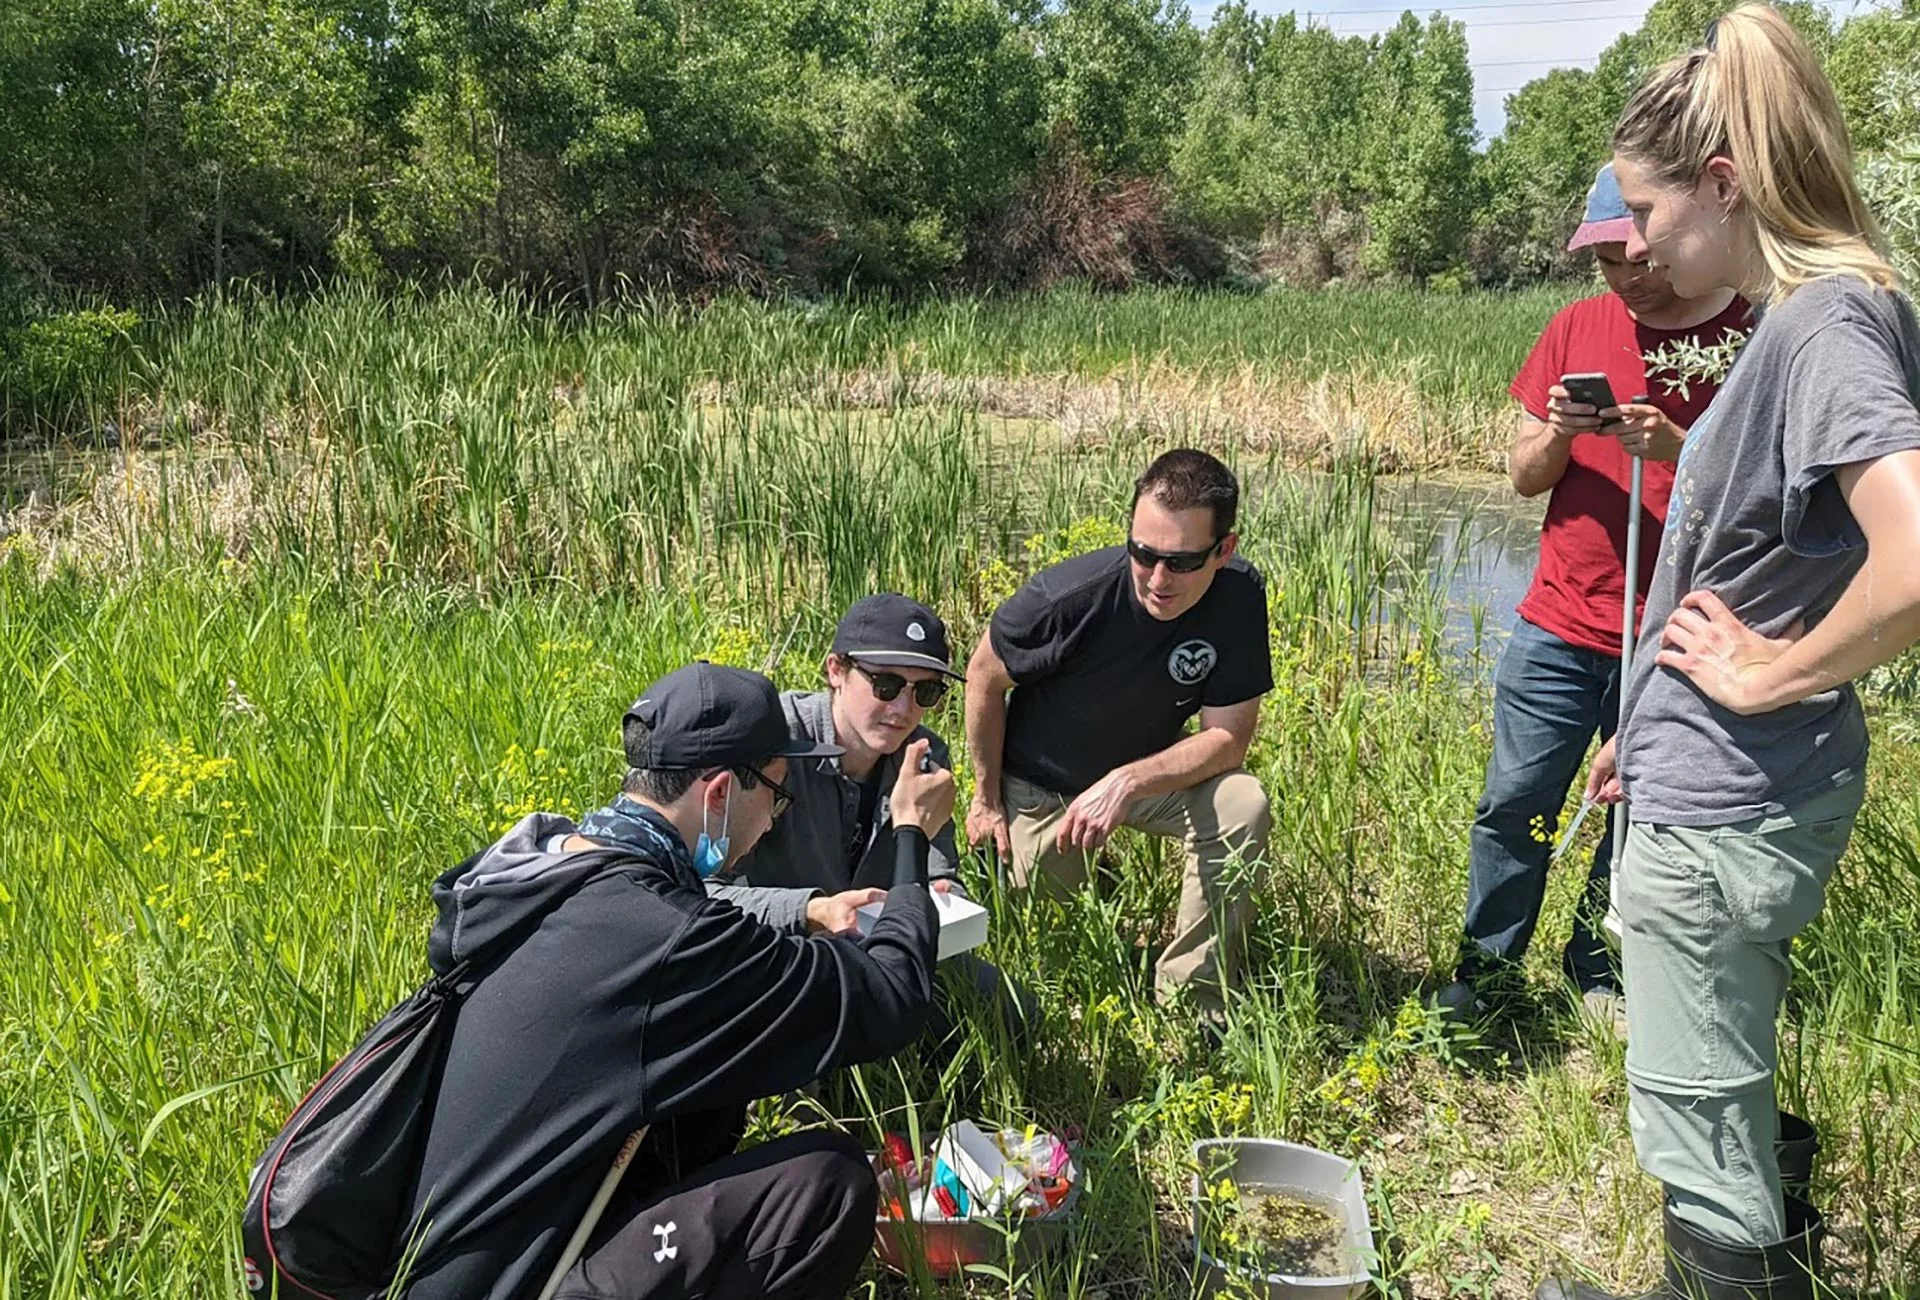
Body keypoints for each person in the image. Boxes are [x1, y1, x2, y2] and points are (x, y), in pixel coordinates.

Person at [1539, 8, 1920, 1299]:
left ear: (1724, 184)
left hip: (1730, 803)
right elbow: (1755, 559)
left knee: (1699, 1139)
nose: (1630, 244)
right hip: (1707, 779)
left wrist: (1771, 671)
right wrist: (1642, 738)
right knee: (1725, 1091)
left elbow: (1916, 559)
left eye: (1642, 214)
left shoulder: (1826, 326)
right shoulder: (1819, 314)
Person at [397, 662, 955, 1300]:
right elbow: (892, 997)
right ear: (719, 793)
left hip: (440, 1252)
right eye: (777, 793)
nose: (774, 819)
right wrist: (910, 835)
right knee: (828, 1180)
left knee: (705, 1104)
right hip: (519, 1281)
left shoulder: (541, 874)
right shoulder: (667, 939)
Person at [1434, 163, 1750, 1029]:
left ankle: (1598, 971)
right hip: (1561, 621)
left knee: (1641, 810)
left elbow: (1761, 493)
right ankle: (1485, 972)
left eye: (1635, 253)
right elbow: (1521, 477)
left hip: (1678, 630)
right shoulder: (1576, 326)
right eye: (1606, 258)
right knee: (1515, 802)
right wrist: (1557, 433)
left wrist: (1678, 443)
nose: (1624, 274)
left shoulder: (1743, 334)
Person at [965, 448, 1274, 1016]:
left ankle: (1191, 999)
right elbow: (984, 675)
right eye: (1143, 553)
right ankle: (1087, 875)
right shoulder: (1068, 599)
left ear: (1223, 551)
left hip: (1146, 778)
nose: (1158, 579)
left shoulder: (1238, 597)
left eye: (1181, 562)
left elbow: (1228, 738)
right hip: (1045, 788)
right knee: (1047, 947)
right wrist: (985, 801)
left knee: (1242, 802)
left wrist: (1128, 781)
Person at [712, 592, 1033, 1040]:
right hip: (779, 950)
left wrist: (938, 895)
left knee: (1013, 1014)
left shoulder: (924, 756)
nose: (903, 710)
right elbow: (701, 895)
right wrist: (810, 910)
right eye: (885, 684)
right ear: (836, 671)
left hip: (877, 949)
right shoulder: (775, 743)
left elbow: (941, 872)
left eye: (925, 691)